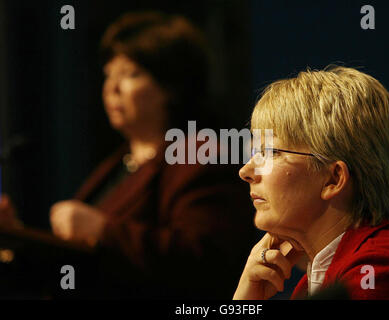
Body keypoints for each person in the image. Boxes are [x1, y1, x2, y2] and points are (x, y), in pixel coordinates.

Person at [0, 11, 255, 298]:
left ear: (171, 86)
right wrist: (16, 239)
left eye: (130, 74)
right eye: (108, 74)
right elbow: (78, 265)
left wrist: (103, 231)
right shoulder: (117, 164)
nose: (112, 88)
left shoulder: (200, 157)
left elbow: (206, 261)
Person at [233, 66, 389, 300]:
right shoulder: (318, 281)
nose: (246, 171)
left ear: (333, 179)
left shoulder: (379, 273)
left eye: (270, 152)